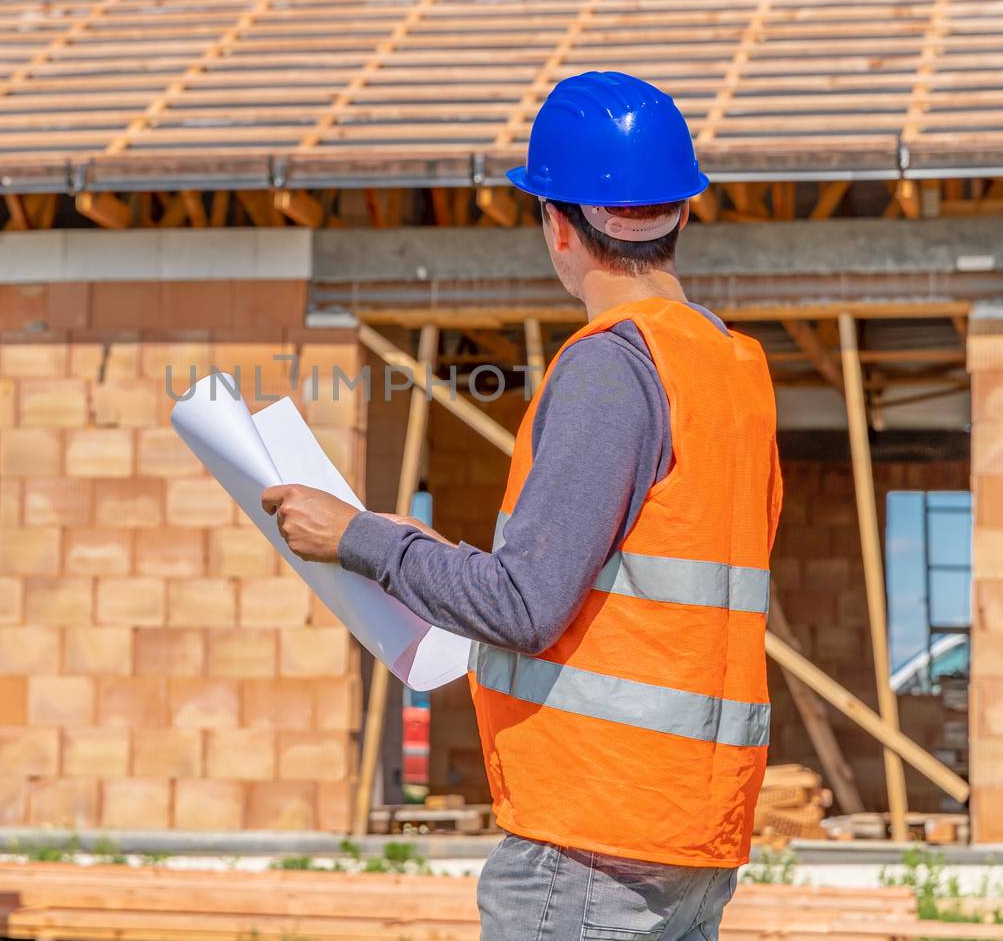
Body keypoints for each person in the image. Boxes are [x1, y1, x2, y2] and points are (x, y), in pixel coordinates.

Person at [261, 71, 782, 941]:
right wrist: (435, 553)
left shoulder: (611, 366)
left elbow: (526, 607)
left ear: (556, 224)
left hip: (591, 837)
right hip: (690, 829)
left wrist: (357, 539)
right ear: (680, 212)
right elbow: (636, 584)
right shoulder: (731, 372)